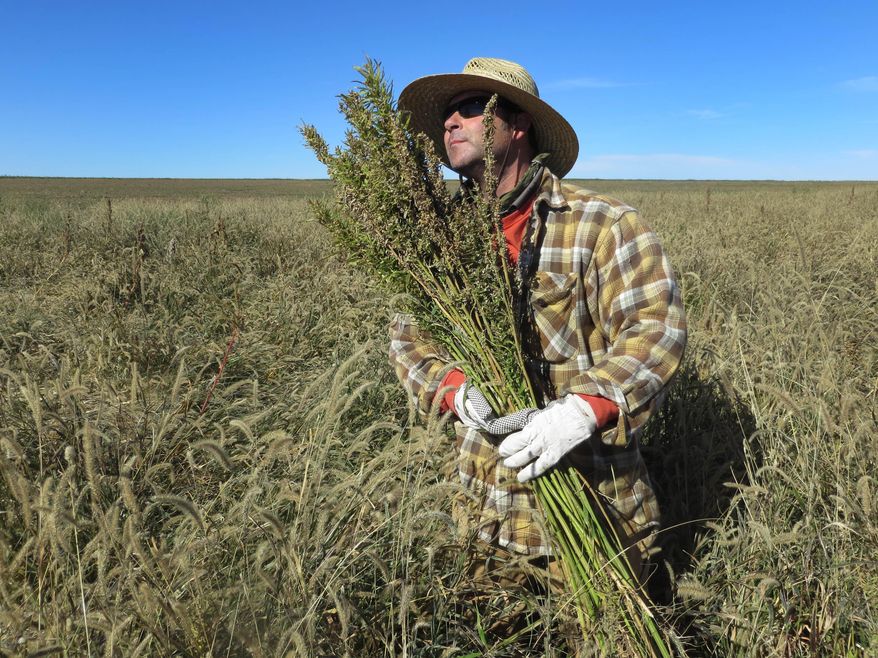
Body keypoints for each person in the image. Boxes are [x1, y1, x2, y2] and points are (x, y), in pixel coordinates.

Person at [389, 57, 687, 587]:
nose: (450, 122)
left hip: (596, 513)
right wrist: (454, 390)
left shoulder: (603, 225)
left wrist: (585, 408)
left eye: (469, 108)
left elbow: (656, 330)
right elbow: (408, 340)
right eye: (447, 114)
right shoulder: (437, 241)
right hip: (483, 510)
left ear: (518, 123)